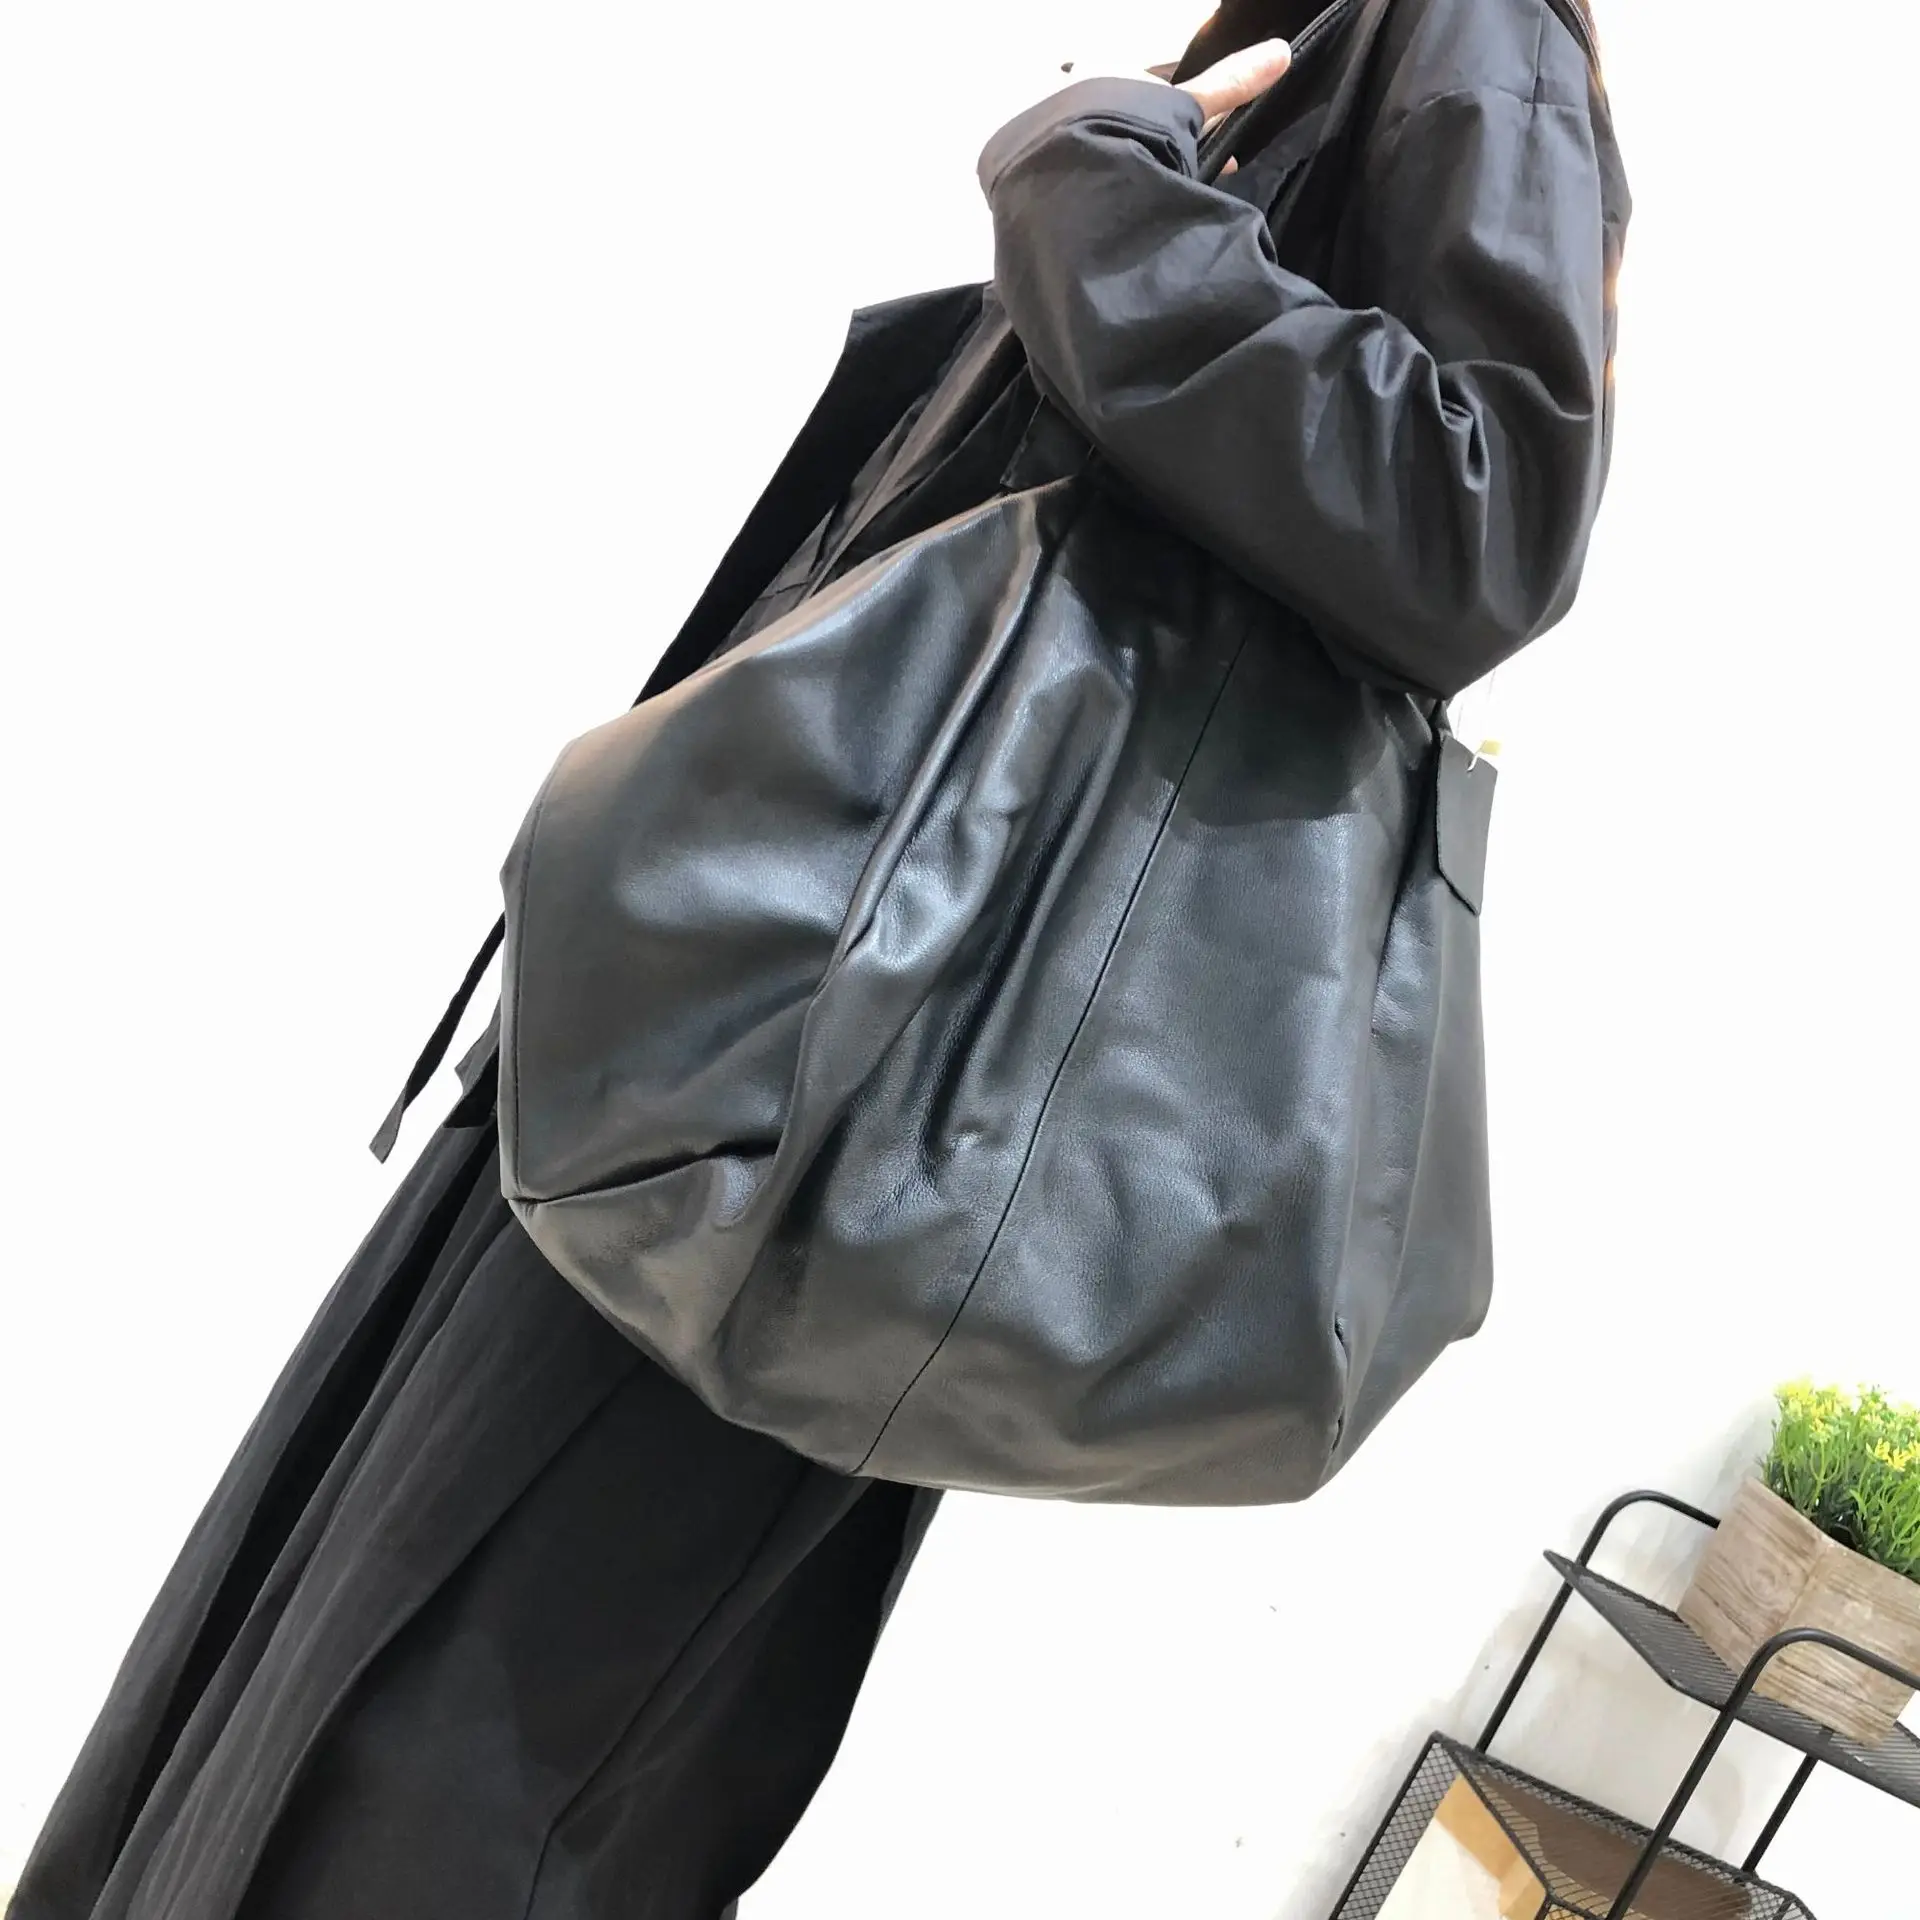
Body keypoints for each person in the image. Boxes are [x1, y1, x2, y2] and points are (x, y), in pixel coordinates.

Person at [7, 1, 1626, 1915]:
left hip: (833, 1113)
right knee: (363, 1669)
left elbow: (1481, 514)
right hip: (750, 1052)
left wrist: (1090, 180)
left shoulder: (1478, 32)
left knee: (447, 1750)